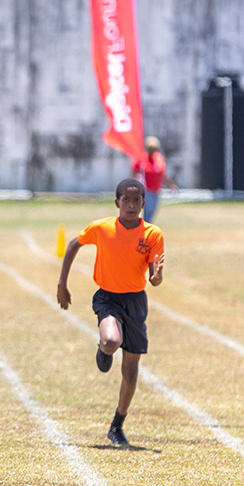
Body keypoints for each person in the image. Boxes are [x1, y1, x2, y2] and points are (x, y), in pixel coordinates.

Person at [56, 178, 165, 449]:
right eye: (125, 201)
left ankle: (117, 425)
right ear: (117, 202)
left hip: (136, 302)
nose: (131, 205)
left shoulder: (152, 234)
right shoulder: (101, 228)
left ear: (143, 203)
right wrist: (62, 284)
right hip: (107, 298)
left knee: (130, 371)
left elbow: (154, 279)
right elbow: (73, 244)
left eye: (136, 201)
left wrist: (158, 275)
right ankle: (103, 351)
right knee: (110, 341)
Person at [133, 136, 178, 223]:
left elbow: (163, 173)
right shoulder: (142, 159)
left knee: (152, 212)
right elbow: (135, 173)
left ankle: (147, 229)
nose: (152, 150)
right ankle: (146, 231)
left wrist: (171, 184)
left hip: (157, 190)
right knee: (147, 213)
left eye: (154, 148)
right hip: (147, 190)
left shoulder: (158, 158)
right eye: (151, 148)